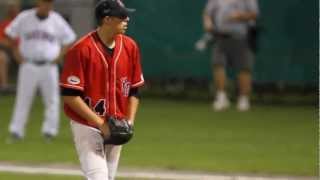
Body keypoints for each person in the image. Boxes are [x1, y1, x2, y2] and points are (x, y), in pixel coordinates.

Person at [60, 0, 144, 179]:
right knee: (98, 177)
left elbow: (134, 91)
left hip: (117, 124)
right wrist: (101, 124)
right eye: (121, 16)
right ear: (107, 19)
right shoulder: (81, 50)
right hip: (87, 124)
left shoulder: (130, 47)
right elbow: (70, 96)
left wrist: (129, 121)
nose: (127, 19)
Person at [6, 0, 76, 141]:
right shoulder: (25, 17)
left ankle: (49, 132)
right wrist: (15, 52)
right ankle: (16, 131)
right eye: (45, 2)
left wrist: (60, 55)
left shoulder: (56, 19)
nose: (47, 6)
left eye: (50, 3)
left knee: (52, 100)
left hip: (49, 66)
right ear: (38, 3)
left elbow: (70, 38)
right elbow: (10, 33)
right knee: (23, 99)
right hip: (28, 64)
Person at [203, 0, 259, 111]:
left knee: (244, 68)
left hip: (242, 37)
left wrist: (240, 16)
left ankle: (243, 99)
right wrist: (208, 22)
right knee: (218, 64)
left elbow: (254, 14)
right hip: (220, 36)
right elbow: (207, 13)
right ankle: (221, 97)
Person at [0, 1, 20, 91]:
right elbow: (1, 40)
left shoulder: (24, 23)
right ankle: (5, 87)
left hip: (24, 51)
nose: (13, 10)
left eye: (15, 8)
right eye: (11, 8)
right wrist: (11, 44)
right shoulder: (4, 24)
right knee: (1, 57)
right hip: (9, 51)